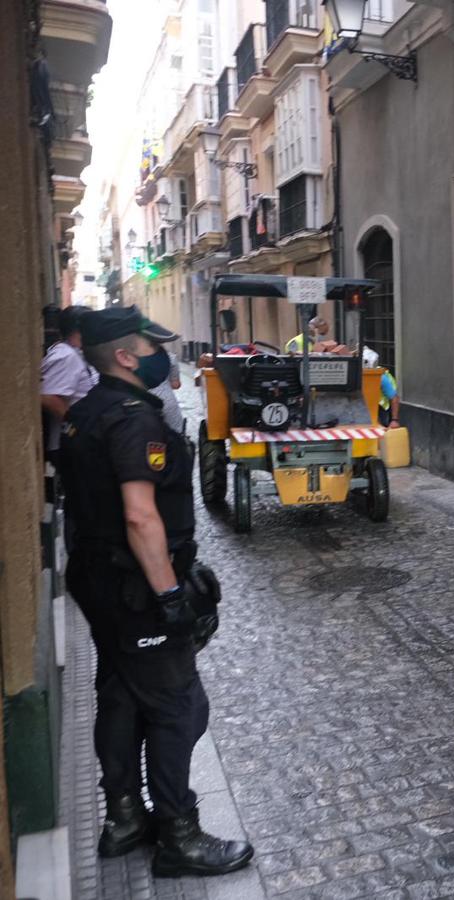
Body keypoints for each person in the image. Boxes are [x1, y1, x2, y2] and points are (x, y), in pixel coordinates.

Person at [59, 306, 253, 877]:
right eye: (149, 345)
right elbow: (141, 516)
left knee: (120, 694)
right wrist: (171, 598)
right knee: (179, 707)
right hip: (134, 585)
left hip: (98, 578)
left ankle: (124, 819)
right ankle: (179, 835)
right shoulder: (131, 419)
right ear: (124, 356)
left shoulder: (84, 413)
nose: (158, 353)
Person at [40, 305, 98, 466]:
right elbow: (47, 397)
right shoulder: (65, 356)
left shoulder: (74, 354)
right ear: (79, 329)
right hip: (69, 442)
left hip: (76, 441)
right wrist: (76, 426)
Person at [148, 345, 185, 436]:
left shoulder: (133, 359)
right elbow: (175, 385)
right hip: (167, 402)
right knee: (175, 435)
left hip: (144, 402)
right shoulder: (170, 357)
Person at [362, 346, 401, 428]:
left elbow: (394, 398)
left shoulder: (381, 377)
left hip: (380, 410)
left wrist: (394, 420)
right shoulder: (361, 375)